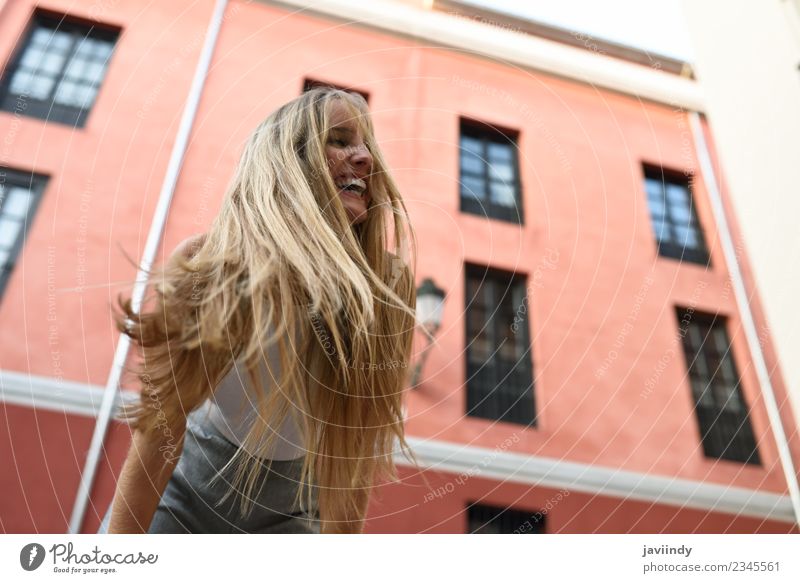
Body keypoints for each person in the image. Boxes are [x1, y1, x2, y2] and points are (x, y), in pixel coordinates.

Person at [98, 87, 420, 534]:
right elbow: (161, 425)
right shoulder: (206, 266)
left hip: (295, 514)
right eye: (340, 140)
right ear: (288, 161)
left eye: (366, 144)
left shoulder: (387, 286)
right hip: (184, 491)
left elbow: (356, 454)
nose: (366, 159)